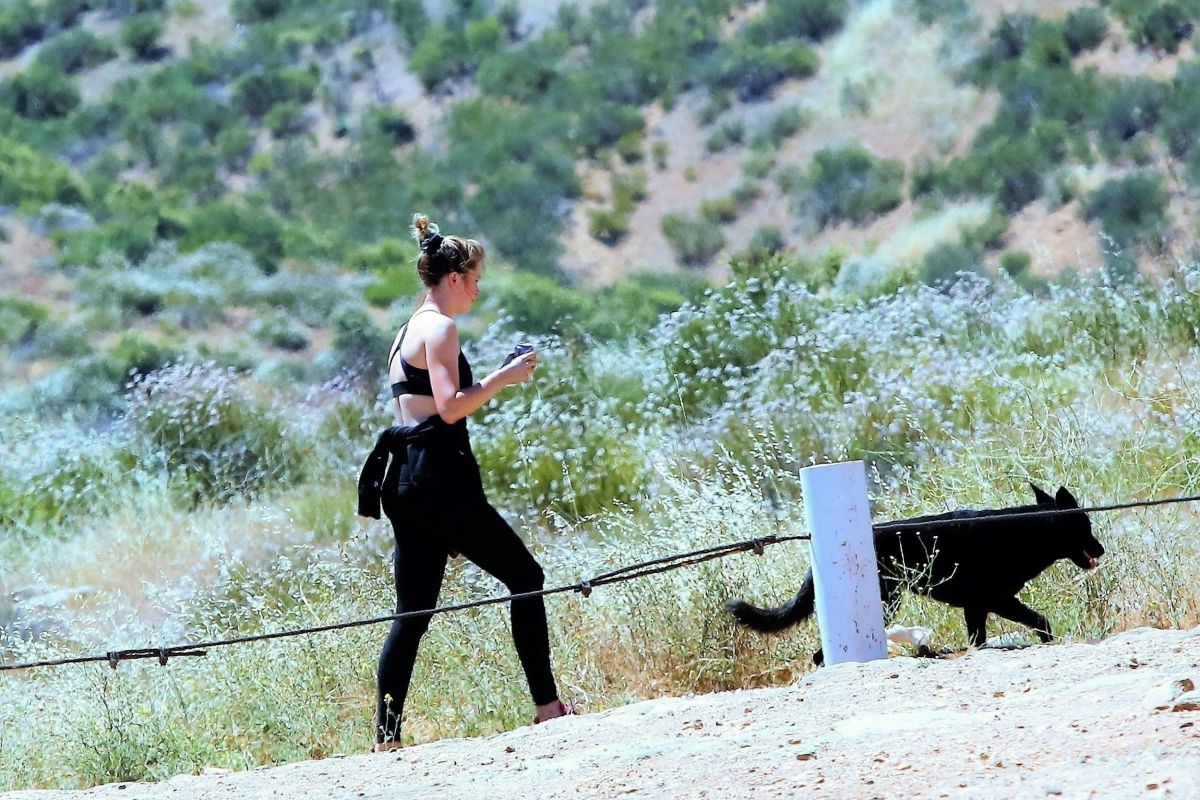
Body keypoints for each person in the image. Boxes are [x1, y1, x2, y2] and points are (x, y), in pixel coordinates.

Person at [362, 213, 575, 752]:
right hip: (440, 479)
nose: (478, 290)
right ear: (453, 277)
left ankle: (386, 739)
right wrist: (503, 379)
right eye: (475, 279)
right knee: (527, 575)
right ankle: (548, 708)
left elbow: (429, 405)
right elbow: (452, 408)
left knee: (411, 615)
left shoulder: (406, 329)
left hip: (405, 483)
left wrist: (488, 379)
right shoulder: (440, 328)